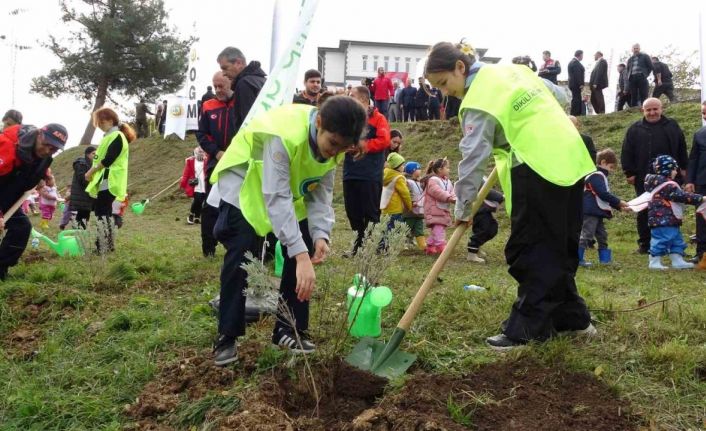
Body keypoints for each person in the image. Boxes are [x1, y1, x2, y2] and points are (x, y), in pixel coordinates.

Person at [425, 41, 596, 350]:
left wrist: (463, 208)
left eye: (444, 83)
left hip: (537, 165)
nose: (444, 92)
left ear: (460, 68)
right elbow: (560, 95)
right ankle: (572, 319)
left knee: (530, 248)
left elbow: (472, 160)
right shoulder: (514, 71)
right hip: (570, 155)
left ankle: (528, 328)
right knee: (559, 243)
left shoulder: (477, 100)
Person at [206, 97, 367, 365]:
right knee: (243, 251)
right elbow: (276, 196)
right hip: (245, 182)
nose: (334, 153)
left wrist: (320, 234)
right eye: (333, 144)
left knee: (303, 239)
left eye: (342, 149)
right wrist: (301, 257)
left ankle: (288, 329)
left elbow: (320, 194)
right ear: (319, 124)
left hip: (282, 189)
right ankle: (227, 336)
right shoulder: (285, 135)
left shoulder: (335, 145)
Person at [0, 122, 67, 280]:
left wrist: (44, 177)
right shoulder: (7, 147)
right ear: (39, 134)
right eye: (45, 144)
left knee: (21, 227)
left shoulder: (43, 157)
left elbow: (35, 169)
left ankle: (1, 268)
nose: (47, 151)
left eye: (53, 149)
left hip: (9, 197)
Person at [621, 97, 688, 254]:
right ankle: (645, 244)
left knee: (671, 210)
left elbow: (681, 148)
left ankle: (670, 244)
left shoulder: (672, 126)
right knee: (644, 210)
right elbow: (626, 151)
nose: (652, 112)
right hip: (644, 179)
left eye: (655, 109)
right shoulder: (635, 129)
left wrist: (684, 169)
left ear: (661, 108)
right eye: (648, 110)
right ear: (643, 111)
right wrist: (629, 172)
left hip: (670, 179)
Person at [342, 86, 391, 256]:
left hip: (370, 174)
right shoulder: (349, 119)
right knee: (352, 211)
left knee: (370, 212)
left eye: (352, 96)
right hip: (350, 172)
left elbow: (384, 141)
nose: (349, 98)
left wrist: (362, 146)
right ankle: (358, 246)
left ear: (363, 99)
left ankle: (376, 245)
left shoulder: (378, 118)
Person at [85, 107, 134, 254]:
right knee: (104, 212)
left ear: (111, 120)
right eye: (97, 122)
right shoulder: (110, 136)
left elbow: (108, 160)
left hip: (110, 179)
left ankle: (103, 246)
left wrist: (91, 171)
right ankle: (107, 245)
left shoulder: (116, 136)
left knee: (102, 212)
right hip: (107, 179)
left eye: (101, 121)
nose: (99, 124)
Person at [197, 71, 236, 257]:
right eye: (215, 86)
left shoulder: (241, 103)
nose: (218, 90)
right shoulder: (207, 106)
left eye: (222, 86)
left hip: (239, 161)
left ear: (231, 83)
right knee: (210, 206)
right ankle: (208, 248)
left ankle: (234, 245)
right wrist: (216, 151)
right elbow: (201, 134)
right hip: (216, 162)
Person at [644, 155, 703, 269]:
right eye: (674, 169)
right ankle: (654, 261)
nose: (676, 172)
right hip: (663, 219)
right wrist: (700, 198)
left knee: (676, 239)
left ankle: (677, 260)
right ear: (668, 170)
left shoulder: (658, 183)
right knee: (662, 239)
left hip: (669, 218)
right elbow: (681, 197)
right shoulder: (668, 185)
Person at [579, 149, 629, 266]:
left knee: (602, 235)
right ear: (603, 162)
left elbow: (603, 198)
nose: (611, 171)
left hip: (598, 211)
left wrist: (619, 207)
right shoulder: (596, 176)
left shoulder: (600, 176)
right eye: (611, 167)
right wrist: (619, 202)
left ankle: (605, 260)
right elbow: (603, 194)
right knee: (586, 234)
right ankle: (578, 258)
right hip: (591, 211)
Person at [216, 47, 267, 133]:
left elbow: (248, 124)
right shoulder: (262, 80)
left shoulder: (244, 84)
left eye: (225, 68)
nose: (223, 73)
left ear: (239, 63)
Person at [686, 101, 706, 267]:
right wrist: (690, 181)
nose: (705, 116)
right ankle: (701, 253)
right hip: (702, 183)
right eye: (703, 113)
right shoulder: (699, 134)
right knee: (701, 219)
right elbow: (693, 159)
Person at [422, 158, 456, 255]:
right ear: (440, 169)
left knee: (438, 228)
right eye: (447, 168)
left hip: (442, 209)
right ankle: (441, 245)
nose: (449, 170)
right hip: (433, 210)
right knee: (438, 228)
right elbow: (437, 192)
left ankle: (430, 246)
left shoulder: (447, 181)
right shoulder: (432, 181)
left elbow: (451, 191)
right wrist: (449, 198)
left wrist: (454, 198)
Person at [466, 179, 503, 264]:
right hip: (479, 212)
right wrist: (501, 197)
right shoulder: (476, 178)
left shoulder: (481, 177)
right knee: (482, 231)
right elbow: (488, 191)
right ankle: (472, 253)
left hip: (486, 211)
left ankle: (477, 247)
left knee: (493, 228)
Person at [381, 152, 412, 230]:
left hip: (384, 209)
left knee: (385, 230)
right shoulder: (398, 178)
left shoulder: (385, 174)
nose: (403, 167)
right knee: (395, 231)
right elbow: (405, 194)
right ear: (397, 166)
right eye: (402, 165)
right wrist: (409, 206)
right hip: (396, 209)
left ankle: (382, 242)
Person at [69, 146, 96, 229]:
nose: (95, 155)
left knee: (85, 214)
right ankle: (77, 234)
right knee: (82, 215)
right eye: (93, 153)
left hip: (87, 195)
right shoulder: (81, 163)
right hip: (81, 194)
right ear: (87, 154)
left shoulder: (91, 164)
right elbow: (82, 179)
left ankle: (80, 233)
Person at [180, 147, 208, 225]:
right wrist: (183, 183)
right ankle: (191, 215)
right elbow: (186, 174)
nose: (201, 154)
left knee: (201, 201)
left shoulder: (207, 160)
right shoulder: (191, 161)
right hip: (196, 185)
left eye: (202, 152)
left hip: (204, 183)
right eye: (199, 152)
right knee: (197, 200)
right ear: (195, 153)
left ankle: (197, 217)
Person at [402, 161, 426, 251]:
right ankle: (405, 242)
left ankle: (422, 245)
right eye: (418, 168)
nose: (420, 170)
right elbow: (406, 194)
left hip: (419, 210)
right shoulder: (407, 182)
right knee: (408, 228)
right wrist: (411, 203)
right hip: (409, 212)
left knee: (419, 228)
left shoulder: (419, 182)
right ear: (413, 170)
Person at [626, 43, 653, 107]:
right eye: (634, 48)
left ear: (639, 49)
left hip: (641, 76)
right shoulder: (630, 59)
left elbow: (650, 66)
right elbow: (628, 69)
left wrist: (645, 74)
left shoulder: (645, 56)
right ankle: (633, 109)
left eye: (637, 48)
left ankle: (645, 107)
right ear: (632, 50)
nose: (636, 50)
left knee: (643, 93)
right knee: (633, 94)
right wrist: (629, 77)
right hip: (632, 78)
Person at [568, 50, 585, 116]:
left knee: (576, 98)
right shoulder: (575, 63)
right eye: (582, 55)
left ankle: (575, 113)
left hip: (573, 84)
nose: (583, 57)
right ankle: (575, 114)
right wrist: (581, 84)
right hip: (576, 85)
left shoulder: (572, 62)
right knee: (576, 99)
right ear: (580, 55)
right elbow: (577, 74)